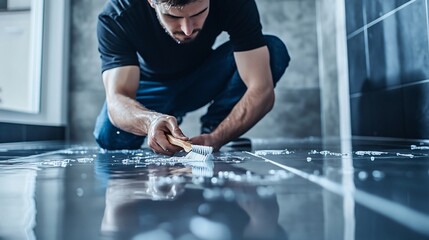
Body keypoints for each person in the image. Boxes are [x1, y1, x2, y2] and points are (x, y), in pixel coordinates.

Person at [94, 0, 290, 154]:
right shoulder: (117, 15)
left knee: (273, 51)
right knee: (110, 137)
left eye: (198, 13)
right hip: (150, 89)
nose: (187, 30)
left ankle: (216, 123)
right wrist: (149, 121)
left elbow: (262, 90)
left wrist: (217, 138)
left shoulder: (234, 2)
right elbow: (117, 100)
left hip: (202, 80)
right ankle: (163, 119)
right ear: (151, 2)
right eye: (172, 16)